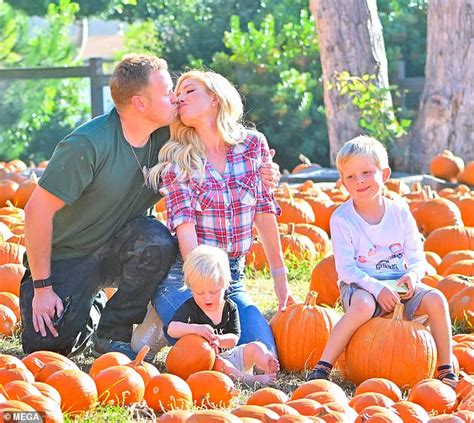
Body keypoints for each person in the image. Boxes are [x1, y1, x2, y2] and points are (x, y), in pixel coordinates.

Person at [20, 54, 181, 360]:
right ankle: (90, 308)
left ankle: (114, 331)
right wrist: (43, 288)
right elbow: (36, 212)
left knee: (157, 242)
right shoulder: (87, 144)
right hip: (66, 257)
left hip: (120, 247)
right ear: (140, 103)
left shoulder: (169, 138)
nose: (175, 98)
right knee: (48, 348)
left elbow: (219, 137)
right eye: (166, 92)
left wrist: (260, 166)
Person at [133, 70, 294, 356]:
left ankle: (170, 325)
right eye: (177, 94)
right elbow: (185, 230)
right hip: (188, 277)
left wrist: (280, 283)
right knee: (204, 350)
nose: (180, 97)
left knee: (265, 355)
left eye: (190, 91)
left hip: (231, 277)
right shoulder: (178, 159)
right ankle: (162, 313)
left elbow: (264, 213)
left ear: (215, 99)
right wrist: (201, 294)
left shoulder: (253, 145)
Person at [306, 136, 458, 388]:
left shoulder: (400, 213)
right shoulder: (342, 218)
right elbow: (346, 269)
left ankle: (445, 367)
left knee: (437, 299)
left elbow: (416, 258)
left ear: (384, 174)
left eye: (366, 172)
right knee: (364, 306)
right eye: (351, 176)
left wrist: (412, 277)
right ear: (342, 181)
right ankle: (323, 365)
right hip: (361, 286)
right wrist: (377, 289)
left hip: (398, 285)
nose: (359, 181)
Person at [167, 245, 279, 384]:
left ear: (225, 285)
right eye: (199, 292)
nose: (206, 298)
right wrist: (196, 329)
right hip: (209, 362)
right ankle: (249, 379)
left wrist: (219, 340)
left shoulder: (230, 307)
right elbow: (172, 329)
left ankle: (267, 362)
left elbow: (234, 338)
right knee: (221, 364)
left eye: (213, 292)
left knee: (256, 346)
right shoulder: (191, 307)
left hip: (232, 354)